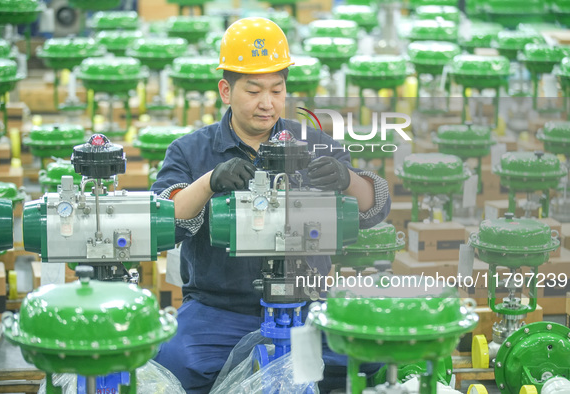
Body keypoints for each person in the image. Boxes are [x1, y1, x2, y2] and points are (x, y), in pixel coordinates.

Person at [151, 17, 391, 394]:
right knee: (174, 364)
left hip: (305, 306)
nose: (267, 103)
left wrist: (348, 180)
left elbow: (374, 207)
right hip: (219, 312)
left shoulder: (314, 144)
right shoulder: (191, 151)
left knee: (372, 351)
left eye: (277, 89)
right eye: (253, 90)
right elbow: (164, 220)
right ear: (226, 91)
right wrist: (209, 181)